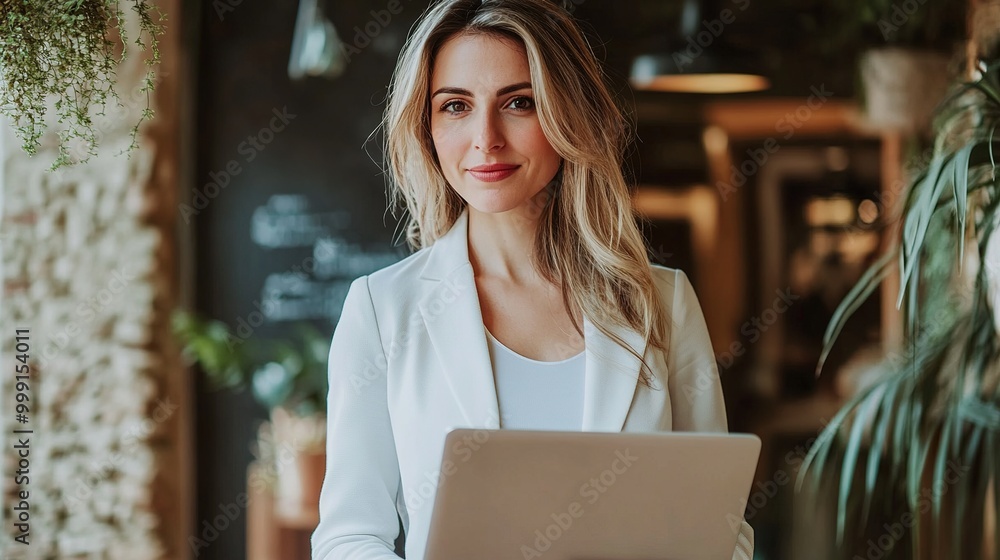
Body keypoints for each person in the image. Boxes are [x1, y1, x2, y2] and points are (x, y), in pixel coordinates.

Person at [310, 1, 754, 558]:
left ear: (570, 115)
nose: (486, 138)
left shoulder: (662, 301)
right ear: (426, 127)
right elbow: (350, 536)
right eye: (455, 106)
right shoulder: (382, 310)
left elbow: (720, 528)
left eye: (519, 103)